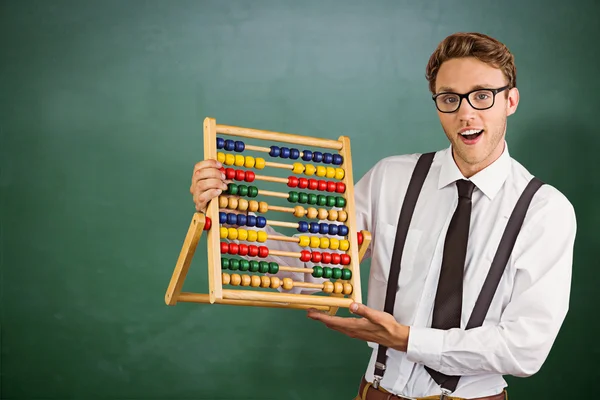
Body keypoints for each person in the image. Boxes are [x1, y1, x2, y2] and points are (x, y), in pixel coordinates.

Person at [189, 32, 577, 400]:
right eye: (449, 99)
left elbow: (525, 349)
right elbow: (309, 272)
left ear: (511, 101)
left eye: (482, 96)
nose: (465, 114)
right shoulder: (390, 178)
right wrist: (229, 210)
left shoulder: (546, 211)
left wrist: (407, 339)